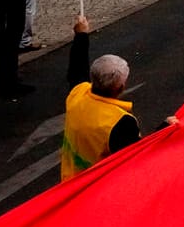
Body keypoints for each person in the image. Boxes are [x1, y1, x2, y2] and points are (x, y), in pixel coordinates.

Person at [61, 20, 142, 181]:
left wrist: (81, 35)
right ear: (120, 87)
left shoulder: (78, 94)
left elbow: (77, 69)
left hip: (70, 181)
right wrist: (165, 128)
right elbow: (139, 154)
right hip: (99, 188)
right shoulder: (121, 122)